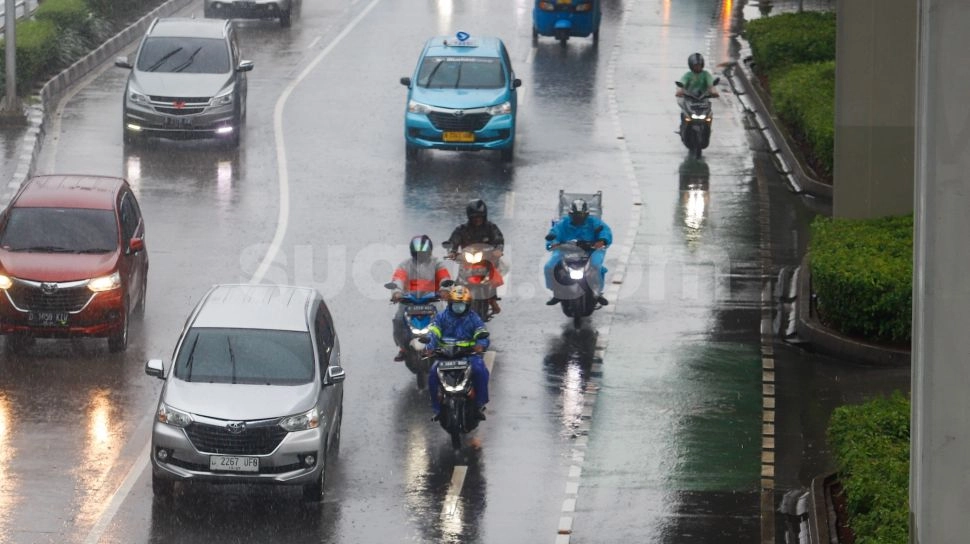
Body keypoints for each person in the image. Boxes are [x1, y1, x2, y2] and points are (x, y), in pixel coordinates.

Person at [425, 285, 490, 420]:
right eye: (456, 304)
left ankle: (479, 404)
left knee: (480, 371)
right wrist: (430, 347)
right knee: (432, 374)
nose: (459, 307)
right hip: (445, 355)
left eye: (462, 304)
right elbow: (434, 332)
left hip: (467, 355)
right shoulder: (441, 317)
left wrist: (480, 345)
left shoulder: (474, 318)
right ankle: (436, 409)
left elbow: (481, 332)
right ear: (450, 303)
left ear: (468, 304)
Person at [389, 235, 451, 361]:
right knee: (399, 319)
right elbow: (398, 279)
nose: (421, 256)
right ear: (412, 252)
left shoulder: (437, 264)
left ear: (429, 252)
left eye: (423, 253)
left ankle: (445, 344)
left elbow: (445, 278)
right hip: (409, 301)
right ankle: (403, 348)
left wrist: (445, 290)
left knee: (444, 319)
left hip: (432, 300)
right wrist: (396, 293)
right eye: (418, 253)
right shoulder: (405, 265)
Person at [544, 199, 613, 306]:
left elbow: (605, 231)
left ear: (587, 214)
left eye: (581, 215)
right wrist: (553, 243)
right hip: (566, 250)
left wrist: (602, 240)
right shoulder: (563, 223)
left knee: (596, 266)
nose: (579, 218)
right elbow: (554, 233)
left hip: (591, 250)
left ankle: (597, 292)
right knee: (549, 266)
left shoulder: (594, 222)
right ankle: (556, 292)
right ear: (570, 214)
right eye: (576, 215)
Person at [446, 199, 505, 315]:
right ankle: (452, 305)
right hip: (467, 261)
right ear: (469, 217)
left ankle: (492, 301)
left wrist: (498, 250)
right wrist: (452, 251)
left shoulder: (491, 227)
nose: (477, 219)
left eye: (480, 216)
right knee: (458, 283)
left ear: (484, 216)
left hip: (486, 260)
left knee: (494, 273)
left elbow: (499, 240)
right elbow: (453, 241)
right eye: (474, 217)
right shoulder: (462, 229)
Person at [676, 53, 719, 131]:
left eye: (699, 65)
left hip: (703, 99)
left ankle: (708, 128)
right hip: (690, 99)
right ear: (691, 66)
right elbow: (682, 83)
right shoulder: (688, 75)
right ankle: (683, 127)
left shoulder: (706, 75)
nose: (697, 67)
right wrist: (680, 91)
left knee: (709, 113)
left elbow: (711, 85)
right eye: (695, 65)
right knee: (684, 111)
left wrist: (713, 92)